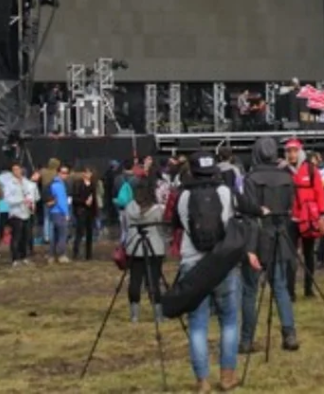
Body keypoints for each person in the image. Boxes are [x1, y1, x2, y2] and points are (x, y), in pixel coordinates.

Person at [176, 151, 241, 392]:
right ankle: (227, 376)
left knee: (197, 324)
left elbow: (179, 223)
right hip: (221, 262)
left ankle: (202, 380)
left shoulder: (183, 196)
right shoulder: (225, 193)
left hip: (192, 263)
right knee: (230, 321)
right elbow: (230, 223)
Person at [237, 136, 299, 353]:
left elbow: (250, 214)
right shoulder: (287, 177)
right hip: (280, 234)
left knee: (250, 290)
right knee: (280, 286)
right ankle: (289, 333)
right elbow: (291, 204)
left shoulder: (251, 178)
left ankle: (246, 339)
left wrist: (249, 248)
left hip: (258, 234)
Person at [284, 137, 324, 301]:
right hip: (291, 219)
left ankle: (309, 288)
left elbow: (320, 192)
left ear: (300, 152)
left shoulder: (310, 169)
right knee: (290, 256)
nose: (292, 154)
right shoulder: (284, 171)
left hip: (309, 218)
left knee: (309, 254)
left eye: (294, 151)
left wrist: (322, 215)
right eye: (289, 151)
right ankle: (290, 291)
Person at [125, 178, 166, 323]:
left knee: (135, 280)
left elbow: (126, 226)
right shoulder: (158, 210)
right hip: (155, 247)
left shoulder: (130, 207)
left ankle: (134, 314)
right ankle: (158, 314)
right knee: (154, 281)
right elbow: (162, 229)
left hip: (134, 248)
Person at [3, 163, 38, 266]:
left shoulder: (27, 183)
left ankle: (24, 256)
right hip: (15, 213)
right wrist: (21, 201)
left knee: (26, 236)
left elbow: (32, 195)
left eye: (18, 169)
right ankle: (15, 258)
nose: (16, 171)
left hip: (26, 212)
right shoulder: (9, 184)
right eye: (14, 170)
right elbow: (7, 200)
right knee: (16, 237)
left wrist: (31, 203)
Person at [72, 165, 99, 261]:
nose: (89, 174)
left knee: (89, 233)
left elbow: (94, 199)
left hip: (90, 212)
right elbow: (74, 199)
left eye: (90, 173)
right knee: (79, 232)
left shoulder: (93, 184)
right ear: (83, 174)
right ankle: (76, 252)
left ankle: (89, 254)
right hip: (81, 211)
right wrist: (84, 202)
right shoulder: (78, 184)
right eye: (87, 172)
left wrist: (96, 212)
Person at [46, 165, 71, 264]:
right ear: (58, 173)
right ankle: (61, 255)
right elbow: (61, 201)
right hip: (59, 212)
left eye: (66, 173)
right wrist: (66, 213)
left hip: (53, 212)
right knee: (62, 234)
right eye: (63, 172)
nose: (65, 175)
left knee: (55, 235)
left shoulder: (54, 184)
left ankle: (51, 255)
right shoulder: (59, 185)